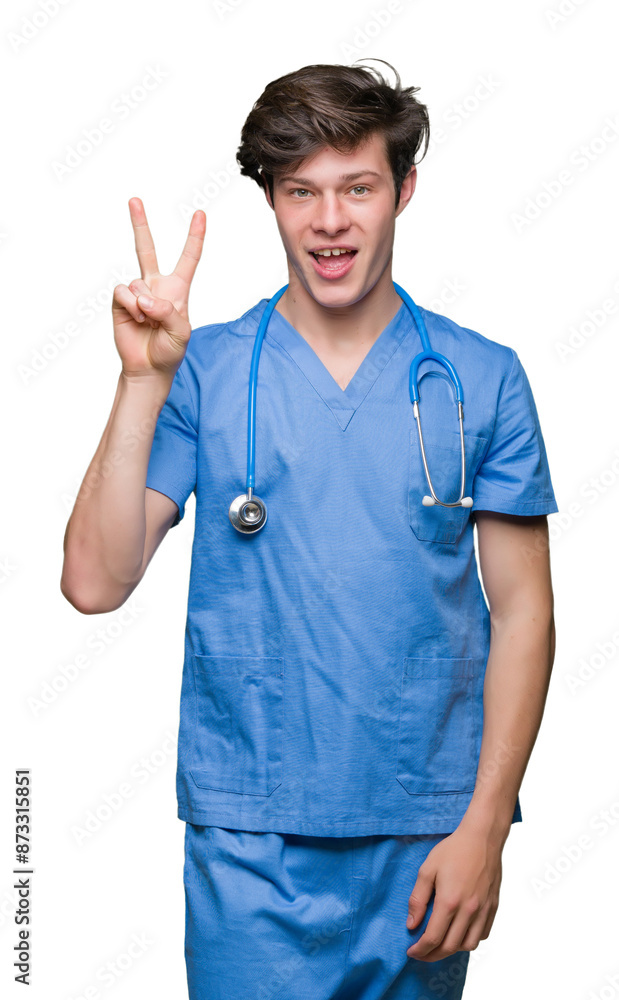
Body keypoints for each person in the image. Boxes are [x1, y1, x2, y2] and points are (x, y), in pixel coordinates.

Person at [61, 60, 557, 1000]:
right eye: (302, 192)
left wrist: (484, 827)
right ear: (273, 202)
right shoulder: (204, 373)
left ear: (402, 191)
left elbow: (524, 613)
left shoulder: (480, 379)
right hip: (250, 846)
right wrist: (140, 381)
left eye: (357, 188)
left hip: (427, 841)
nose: (329, 220)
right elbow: (94, 582)